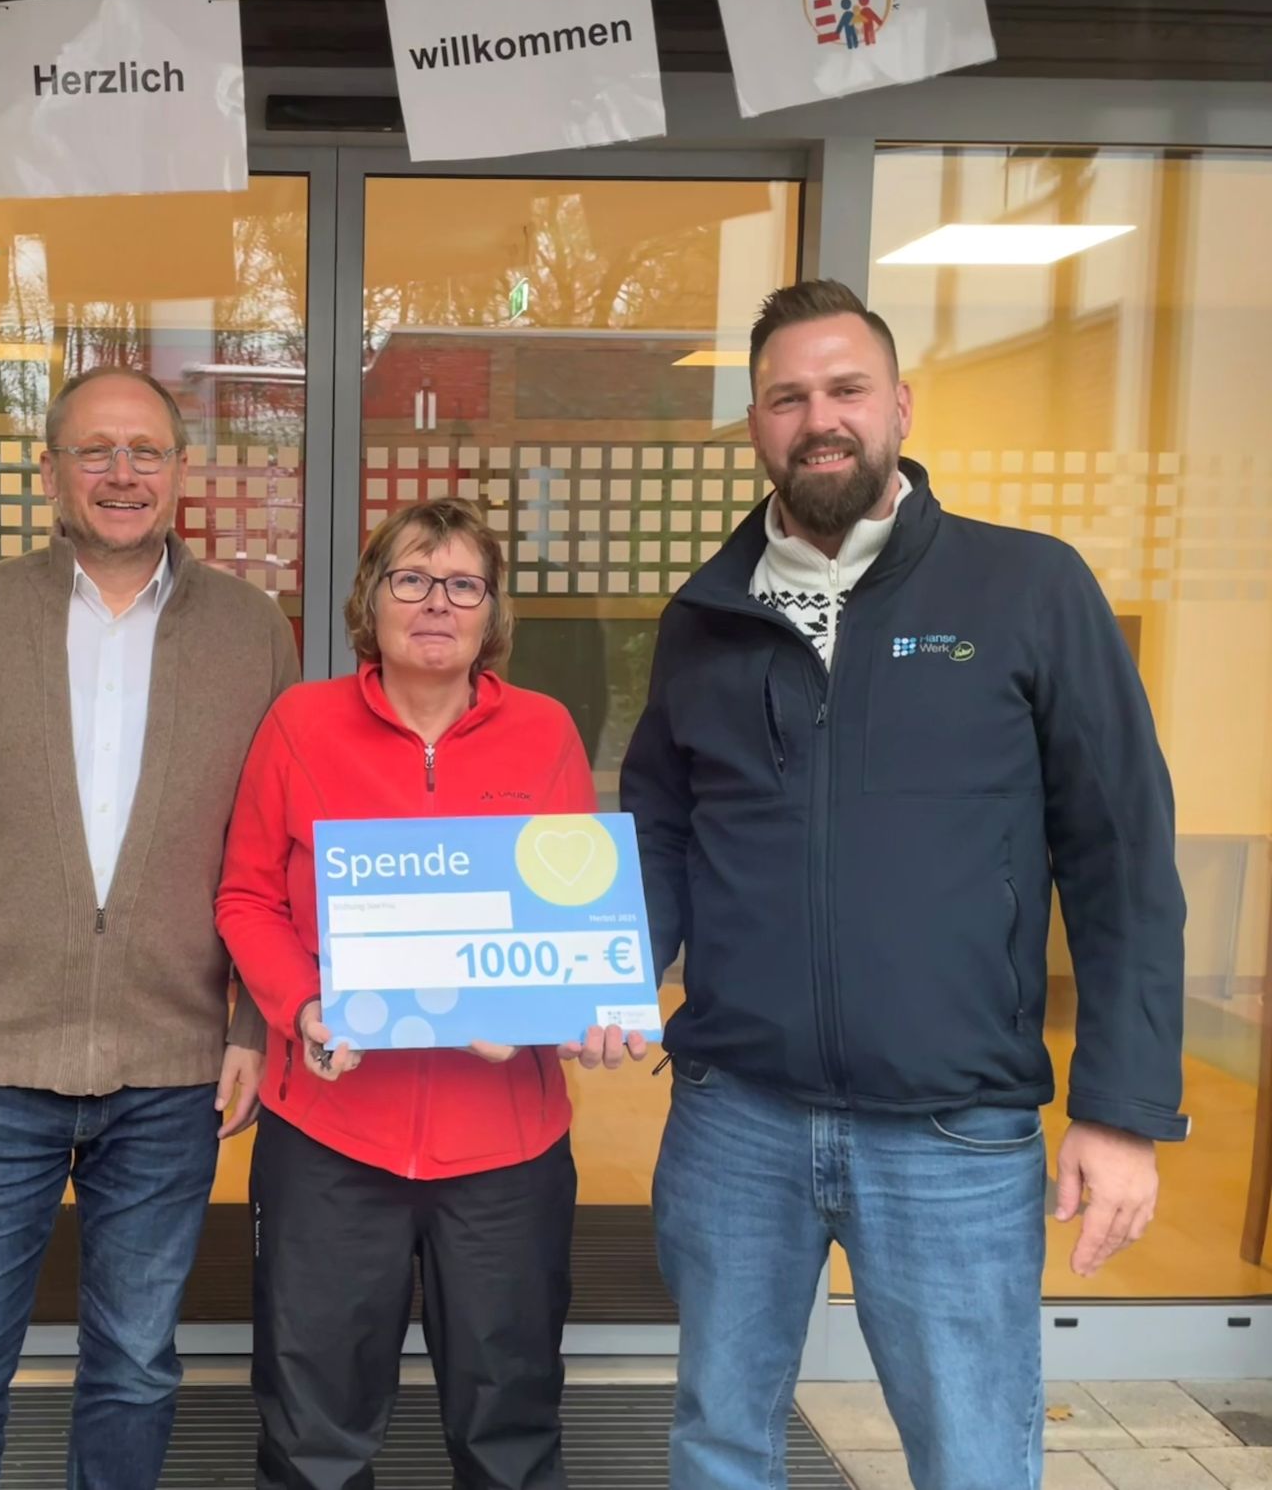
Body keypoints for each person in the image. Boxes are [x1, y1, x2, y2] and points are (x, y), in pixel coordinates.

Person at [622, 278, 1186, 1490]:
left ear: (898, 408)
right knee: (720, 1440)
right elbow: (657, 831)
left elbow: (1120, 854)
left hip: (952, 1130)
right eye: (785, 397)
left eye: (844, 389)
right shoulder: (704, 617)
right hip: (735, 1121)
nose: (817, 417)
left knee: (972, 1457)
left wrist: (1121, 1107)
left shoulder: (1026, 589)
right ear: (756, 429)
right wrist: (601, 974)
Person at [0, 365, 299, 1490]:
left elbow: (272, 849)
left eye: (145, 450)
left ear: (183, 472)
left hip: (172, 1067)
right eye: (94, 450)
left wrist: (252, 1025)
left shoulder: (249, 631)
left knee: (136, 1367)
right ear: (49, 471)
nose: (121, 473)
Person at [217, 496, 647, 1490]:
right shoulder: (298, 724)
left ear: (488, 612)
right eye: (410, 579)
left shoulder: (541, 732)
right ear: (370, 600)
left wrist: (572, 1013)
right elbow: (243, 894)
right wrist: (303, 1006)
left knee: (509, 1422)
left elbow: (568, 917)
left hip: (505, 1143)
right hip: (330, 1133)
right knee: (311, 1430)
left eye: (461, 584)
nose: (436, 603)